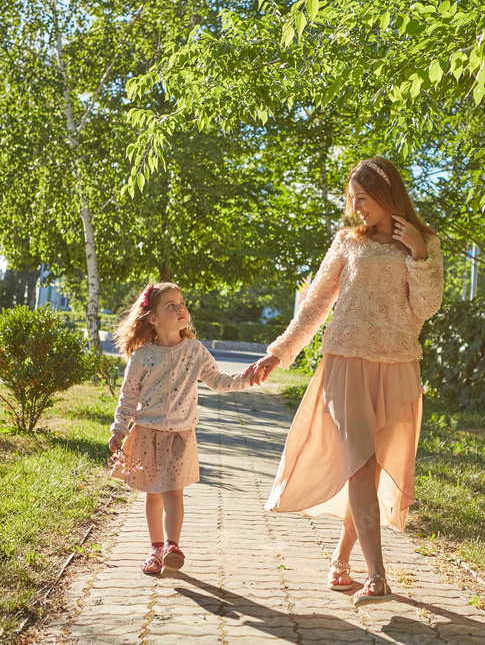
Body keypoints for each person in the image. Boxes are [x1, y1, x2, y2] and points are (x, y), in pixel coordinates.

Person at [247, 157, 443, 606]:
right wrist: (279, 352)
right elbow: (314, 306)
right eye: (351, 199)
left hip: (396, 367)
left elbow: (425, 309)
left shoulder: (424, 241)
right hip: (345, 363)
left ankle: (340, 563)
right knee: (358, 463)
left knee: (369, 471)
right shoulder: (346, 242)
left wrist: (419, 255)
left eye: (363, 199)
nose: (356, 209)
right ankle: (378, 577)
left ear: (387, 196)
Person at [109, 282, 258, 577]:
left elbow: (219, 380)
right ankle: (155, 549)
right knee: (153, 494)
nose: (181, 309)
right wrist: (119, 428)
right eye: (171, 305)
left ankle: (172, 547)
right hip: (147, 433)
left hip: (180, 435)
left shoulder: (195, 351)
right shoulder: (141, 356)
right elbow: (128, 395)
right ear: (153, 318)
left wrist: (248, 377)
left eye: (182, 303)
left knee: (173, 492)